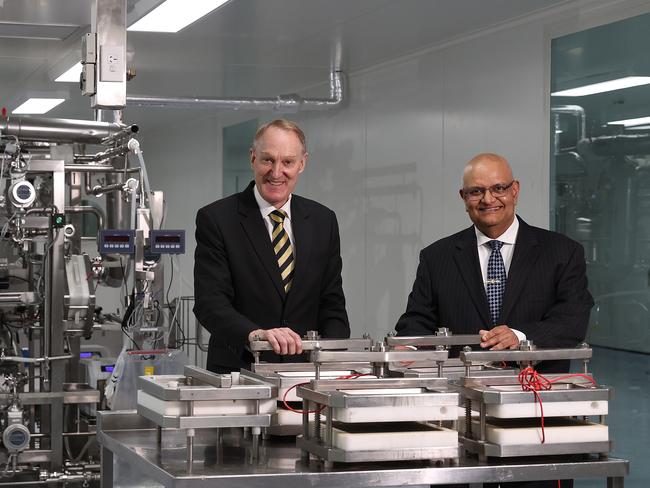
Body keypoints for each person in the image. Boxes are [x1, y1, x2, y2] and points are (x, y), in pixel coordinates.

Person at [396, 153, 592, 488]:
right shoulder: (437, 257)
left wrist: (521, 335)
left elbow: (573, 317)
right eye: (476, 191)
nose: (488, 199)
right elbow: (415, 322)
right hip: (460, 414)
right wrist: (411, 347)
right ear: (463, 198)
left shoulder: (561, 252)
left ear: (515, 190)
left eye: (498, 188)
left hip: (536, 412)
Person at [193, 119, 350, 373]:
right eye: (268, 160)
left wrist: (333, 363)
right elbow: (210, 303)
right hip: (239, 372)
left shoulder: (323, 220)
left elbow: (332, 304)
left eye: (287, 162)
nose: (277, 173)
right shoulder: (218, 219)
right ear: (252, 158)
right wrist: (255, 335)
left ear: (302, 163)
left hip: (306, 376)